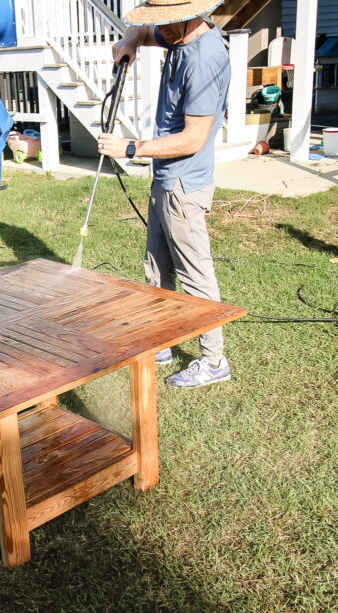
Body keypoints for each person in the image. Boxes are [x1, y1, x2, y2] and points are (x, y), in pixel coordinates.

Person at [97, 0, 231, 389]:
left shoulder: (204, 59)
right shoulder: (179, 34)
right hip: (165, 179)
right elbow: (141, 32)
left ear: (192, 14)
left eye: (169, 23)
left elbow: (194, 138)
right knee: (157, 267)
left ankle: (213, 360)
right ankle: (164, 340)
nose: (163, 30)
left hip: (184, 185)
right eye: (162, 23)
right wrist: (128, 42)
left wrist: (132, 149)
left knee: (195, 275)